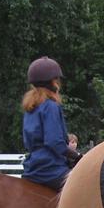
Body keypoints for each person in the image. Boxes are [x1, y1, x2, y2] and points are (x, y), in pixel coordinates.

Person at [21, 56, 81, 191]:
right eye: (57, 80)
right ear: (53, 83)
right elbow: (54, 141)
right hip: (51, 169)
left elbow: (28, 142)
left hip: (32, 168)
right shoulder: (50, 106)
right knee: (86, 188)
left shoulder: (30, 108)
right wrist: (77, 155)